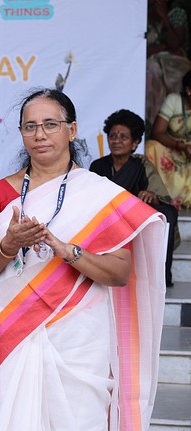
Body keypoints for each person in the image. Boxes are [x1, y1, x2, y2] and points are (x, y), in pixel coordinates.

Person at [0, 89, 165, 431]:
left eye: (50, 124)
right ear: (21, 133)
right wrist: (8, 245)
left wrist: (66, 250)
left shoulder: (100, 195)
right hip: (11, 341)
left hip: (80, 347)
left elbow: (120, 272)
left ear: (71, 130)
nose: (40, 134)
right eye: (30, 126)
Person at [90, 108, 179, 287]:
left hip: (135, 219)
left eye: (123, 137)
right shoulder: (98, 166)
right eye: (112, 136)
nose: (116, 141)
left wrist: (151, 196)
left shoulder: (141, 165)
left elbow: (161, 197)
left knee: (168, 213)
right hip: (107, 216)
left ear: (135, 143)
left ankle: (162, 276)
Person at [145, 69, 191, 208]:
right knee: (151, 146)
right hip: (174, 147)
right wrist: (181, 146)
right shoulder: (174, 100)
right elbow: (157, 133)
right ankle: (159, 194)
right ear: (189, 90)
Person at [146, 0, 191, 128]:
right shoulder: (139, 16)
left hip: (174, 62)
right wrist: (162, 47)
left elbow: (175, 44)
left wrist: (164, 17)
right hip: (150, 64)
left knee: (181, 79)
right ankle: (155, 126)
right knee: (152, 71)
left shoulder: (176, 14)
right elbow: (139, 49)